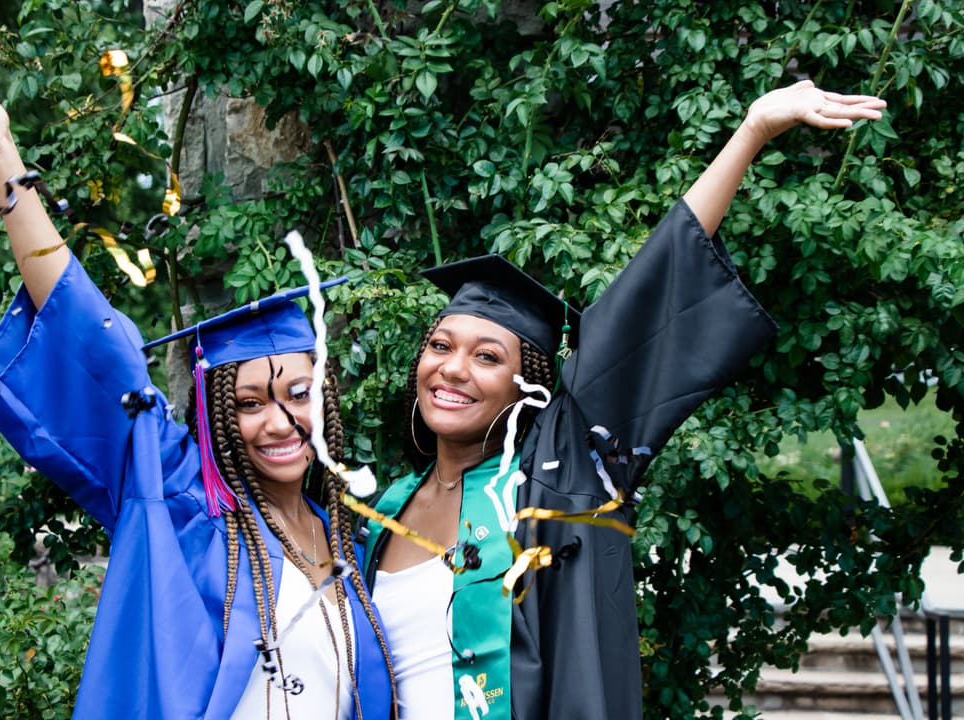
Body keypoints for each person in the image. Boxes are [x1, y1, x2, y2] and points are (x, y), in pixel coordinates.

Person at [0, 58, 395, 719]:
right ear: (217, 414)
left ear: (325, 399)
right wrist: (1, 155)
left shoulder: (349, 541)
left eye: (298, 394)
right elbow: (93, 341)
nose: (279, 421)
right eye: (248, 402)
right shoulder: (187, 506)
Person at [359, 80, 887, 719]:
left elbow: (648, 295)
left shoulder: (560, 474)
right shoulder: (380, 511)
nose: (453, 369)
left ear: (530, 384)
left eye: (488, 355)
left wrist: (751, 133)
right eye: (440, 345)